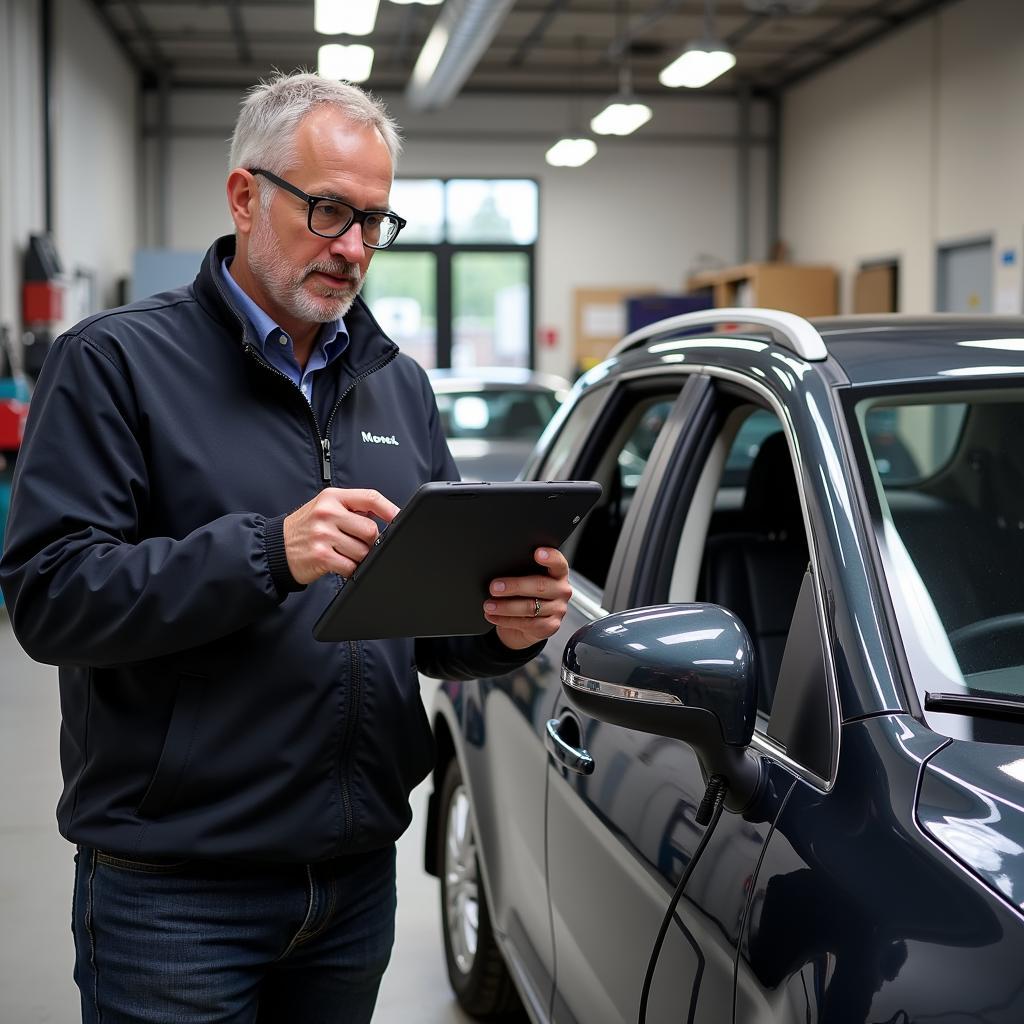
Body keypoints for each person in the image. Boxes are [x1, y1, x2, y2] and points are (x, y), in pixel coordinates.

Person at [0, 72, 572, 1024]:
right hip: (177, 895)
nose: (352, 248)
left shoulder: (396, 386)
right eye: (328, 211)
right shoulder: (114, 363)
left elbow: (424, 629)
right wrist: (269, 554)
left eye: (375, 222)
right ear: (244, 195)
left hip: (352, 883)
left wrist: (505, 626)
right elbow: (52, 596)